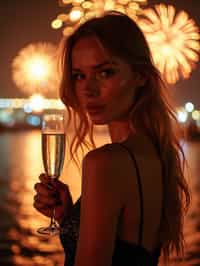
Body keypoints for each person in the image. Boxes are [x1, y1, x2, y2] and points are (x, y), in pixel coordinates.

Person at [33, 11, 191, 266]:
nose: (88, 89)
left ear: (141, 76)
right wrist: (70, 219)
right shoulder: (156, 153)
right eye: (79, 75)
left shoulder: (104, 162)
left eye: (105, 72)